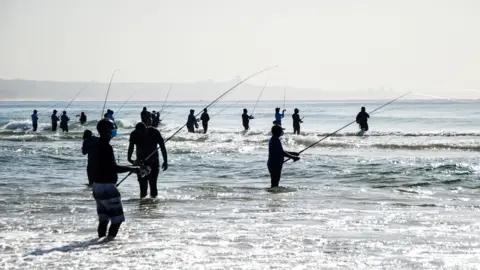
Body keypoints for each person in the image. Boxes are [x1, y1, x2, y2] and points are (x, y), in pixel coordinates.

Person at [91, 119, 139, 241]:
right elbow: (113, 168)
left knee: (103, 220)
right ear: (104, 131)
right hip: (107, 189)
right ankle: (108, 244)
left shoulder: (95, 145)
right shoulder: (106, 147)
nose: (113, 131)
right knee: (117, 220)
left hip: (97, 187)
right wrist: (132, 169)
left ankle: (99, 245)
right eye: (111, 129)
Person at [128, 122, 168, 199]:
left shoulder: (154, 132)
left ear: (146, 128)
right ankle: (143, 206)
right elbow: (131, 147)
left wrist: (165, 161)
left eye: (144, 132)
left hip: (154, 162)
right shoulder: (134, 134)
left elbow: (162, 147)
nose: (143, 135)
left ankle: (153, 206)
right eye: (141, 134)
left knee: (153, 185)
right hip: (141, 163)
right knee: (143, 187)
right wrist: (130, 159)